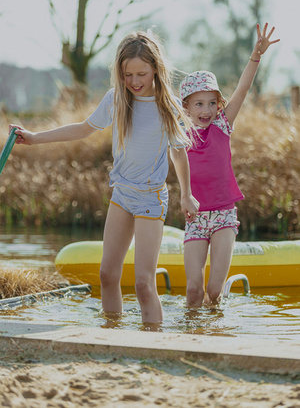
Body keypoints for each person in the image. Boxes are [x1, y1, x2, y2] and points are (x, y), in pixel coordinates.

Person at [10, 31, 199, 324]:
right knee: (107, 274)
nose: (135, 81)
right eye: (127, 74)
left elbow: (178, 153)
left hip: (151, 198)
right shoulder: (117, 100)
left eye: (141, 74)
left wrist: (186, 194)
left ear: (156, 70)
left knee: (143, 284)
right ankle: (111, 334)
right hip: (122, 194)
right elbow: (84, 128)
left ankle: (153, 343)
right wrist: (35, 138)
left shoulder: (168, 106)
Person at [179, 23, 280, 308]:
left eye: (212, 103)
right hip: (195, 218)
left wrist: (255, 56)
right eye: (199, 104)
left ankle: (216, 330)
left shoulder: (223, 124)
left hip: (223, 214)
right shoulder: (179, 134)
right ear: (186, 107)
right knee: (193, 291)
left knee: (213, 290)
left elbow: (243, 88)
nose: (207, 110)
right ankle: (191, 334)